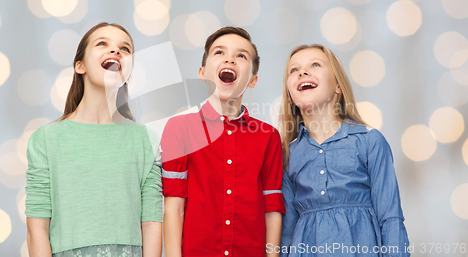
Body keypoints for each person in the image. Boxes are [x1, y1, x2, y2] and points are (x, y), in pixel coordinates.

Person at [25, 22, 162, 257]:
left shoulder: (145, 140)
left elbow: (151, 224)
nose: (116, 51)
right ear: (80, 66)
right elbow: (37, 228)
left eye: (125, 49)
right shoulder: (46, 139)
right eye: (102, 44)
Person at [162, 26, 285, 257]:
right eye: (219, 52)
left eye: (241, 55)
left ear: (253, 80)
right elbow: (174, 207)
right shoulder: (180, 129)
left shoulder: (268, 137)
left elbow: (272, 208)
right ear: (201, 72)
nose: (230, 58)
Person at [279, 44, 410, 257]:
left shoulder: (369, 141)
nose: (302, 72)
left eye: (315, 64)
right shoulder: (287, 155)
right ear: (290, 94)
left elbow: (390, 217)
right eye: (294, 70)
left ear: (337, 85)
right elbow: (286, 233)